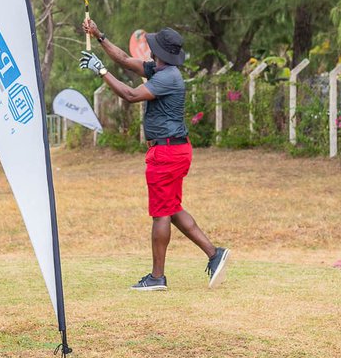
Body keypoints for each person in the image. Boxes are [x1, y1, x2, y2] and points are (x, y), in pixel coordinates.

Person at [79, 19, 230, 291]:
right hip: (173, 150)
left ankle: (157, 277)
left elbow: (129, 94)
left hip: (167, 152)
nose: (148, 49)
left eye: (152, 47)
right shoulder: (159, 69)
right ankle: (213, 252)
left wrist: (99, 69)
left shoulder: (167, 77)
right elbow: (125, 60)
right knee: (171, 209)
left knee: (161, 213)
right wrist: (99, 36)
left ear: (160, 53)